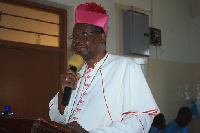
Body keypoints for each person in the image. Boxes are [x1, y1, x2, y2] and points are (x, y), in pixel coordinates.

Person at [49, 2, 159, 133]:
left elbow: (141, 119)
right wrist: (62, 94)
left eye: (84, 34)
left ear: (102, 37)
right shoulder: (76, 72)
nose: (77, 40)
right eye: (75, 36)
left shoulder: (124, 66)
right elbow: (57, 118)